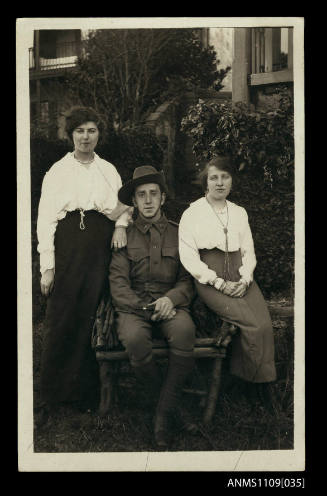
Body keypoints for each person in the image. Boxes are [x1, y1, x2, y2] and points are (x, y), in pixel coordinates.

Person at [37, 107, 132, 420]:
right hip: (68, 244)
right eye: (80, 131)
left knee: (91, 313)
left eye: (91, 130)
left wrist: (119, 226)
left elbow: (123, 207)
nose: (86, 137)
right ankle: (50, 393)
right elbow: (45, 221)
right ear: (71, 135)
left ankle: (85, 393)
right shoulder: (57, 172)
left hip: (99, 244)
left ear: (98, 134)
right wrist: (47, 266)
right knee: (62, 313)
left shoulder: (108, 170)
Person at [109, 166, 196, 449]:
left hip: (171, 305)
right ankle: (172, 408)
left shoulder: (180, 234)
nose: (148, 201)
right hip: (135, 309)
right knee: (134, 339)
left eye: (153, 194)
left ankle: (160, 414)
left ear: (163, 198)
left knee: (184, 330)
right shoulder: (123, 237)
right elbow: (118, 285)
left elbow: (188, 279)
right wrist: (145, 308)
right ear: (133, 202)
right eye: (141, 195)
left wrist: (171, 300)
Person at [178, 156, 276, 394]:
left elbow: (248, 251)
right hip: (210, 278)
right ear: (206, 182)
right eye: (214, 178)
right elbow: (189, 256)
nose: (219, 183)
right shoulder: (192, 213)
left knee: (264, 324)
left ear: (232, 181)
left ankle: (258, 383)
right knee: (251, 324)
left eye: (225, 177)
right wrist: (219, 283)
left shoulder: (239, 212)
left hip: (240, 274)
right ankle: (248, 387)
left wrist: (245, 279)